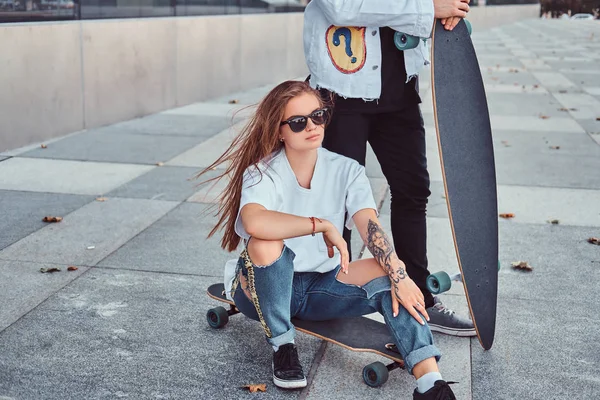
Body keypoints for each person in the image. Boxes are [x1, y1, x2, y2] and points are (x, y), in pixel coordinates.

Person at [197, 81, 457, 399]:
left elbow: (369, 226)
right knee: (264, 242)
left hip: (322, 286)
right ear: (280, 131)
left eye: (318, 116)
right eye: (298, 122)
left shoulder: (347, 170)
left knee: (391, 272)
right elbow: (253, 220)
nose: (312, 126)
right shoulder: (262, 173)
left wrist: (399, 274)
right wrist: (318, 225)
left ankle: (430, 382)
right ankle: (283, 346)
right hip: (261, 292)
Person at [302, 0, 476, 337]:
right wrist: (427, 10)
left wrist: (450, 11)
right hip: (342, 93)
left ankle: (421, 299)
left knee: (413, 192)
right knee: (337, 202)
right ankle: (330, 294)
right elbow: (342, 8)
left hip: (400, 93)